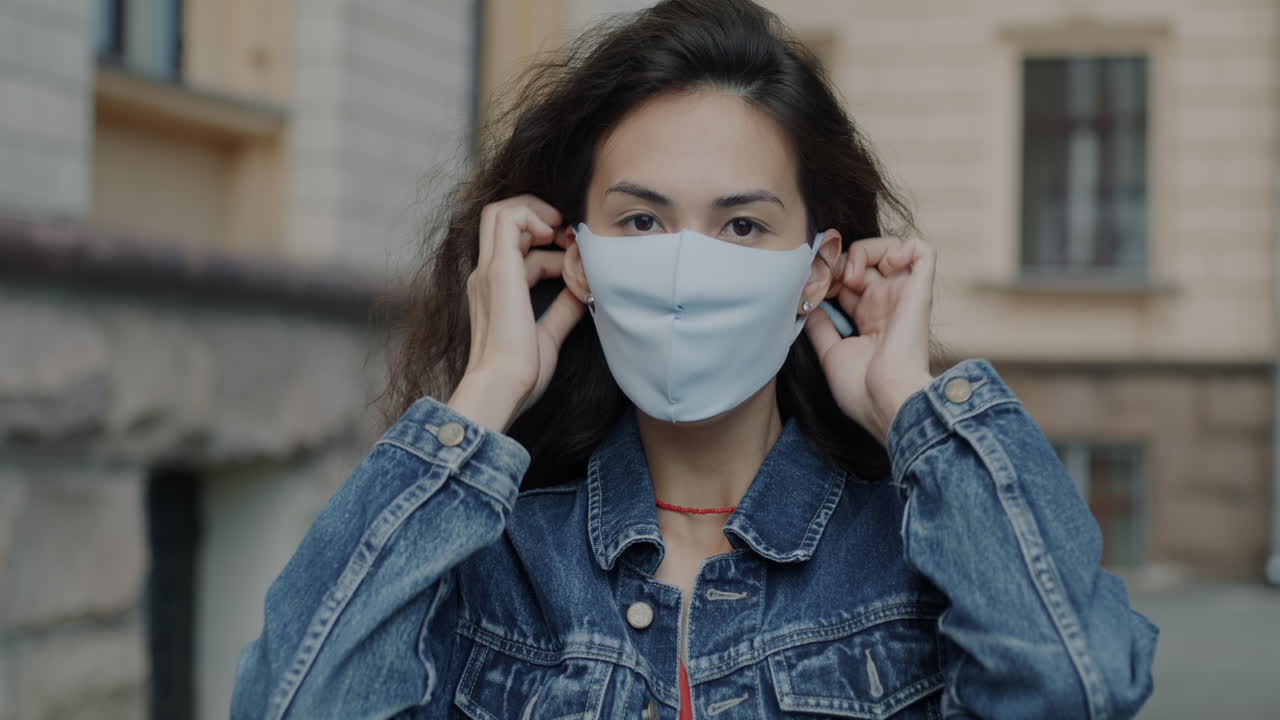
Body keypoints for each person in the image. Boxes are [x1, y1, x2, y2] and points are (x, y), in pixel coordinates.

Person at [231, 1, 1158, 717]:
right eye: (642, 220)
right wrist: (483, 397)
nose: (686, 261)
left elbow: (1073, 690)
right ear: (579, 258)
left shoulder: (916, 556)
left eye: (742, 224)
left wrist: (916, 408)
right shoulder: (488, 560)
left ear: (817, 269)